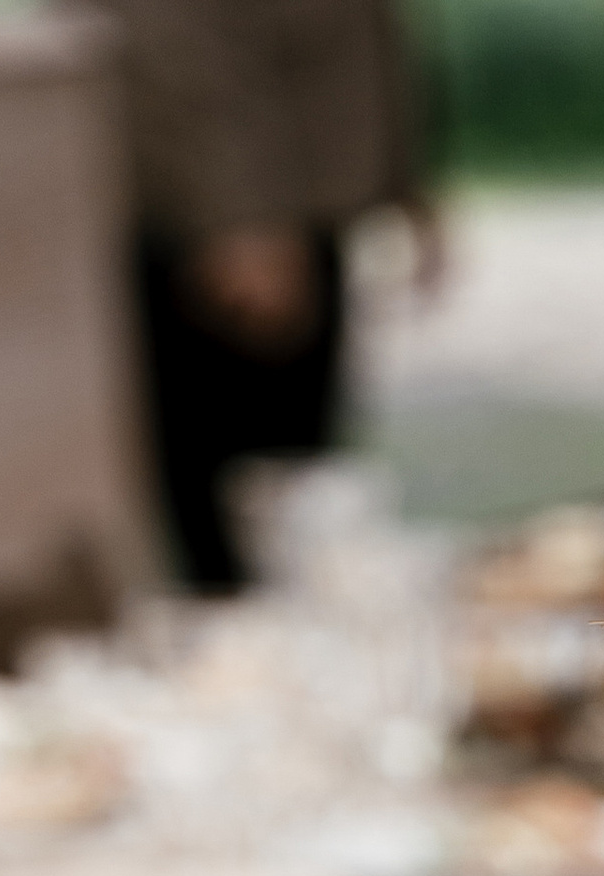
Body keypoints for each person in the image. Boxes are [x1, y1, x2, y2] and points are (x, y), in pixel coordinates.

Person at [94, 0, 432, 592]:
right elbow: (162, 29)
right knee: (245, 506)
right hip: (220, 223)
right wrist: (237, 214)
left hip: (296, 199)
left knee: (299, 491)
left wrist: (402, 176)